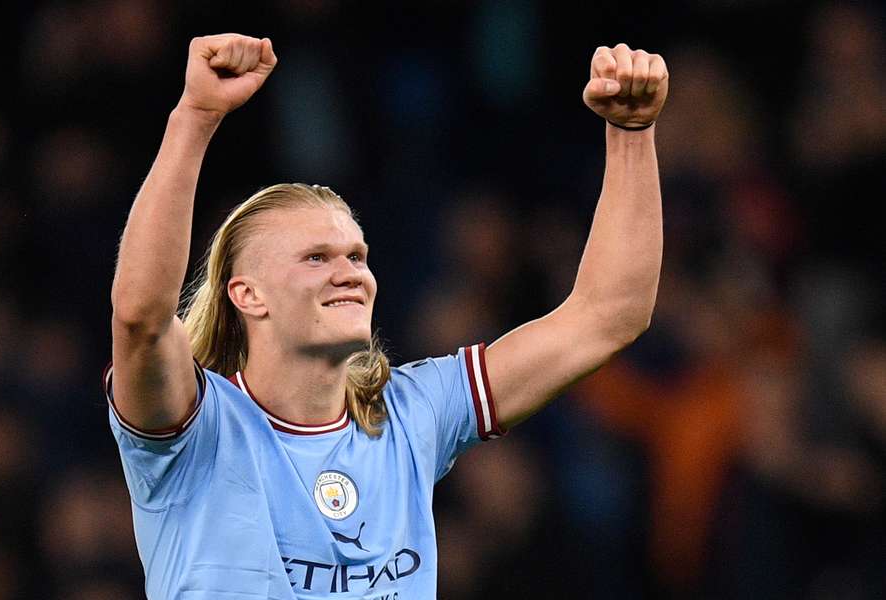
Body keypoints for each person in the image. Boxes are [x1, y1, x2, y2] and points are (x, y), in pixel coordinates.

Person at [106, 33, 668, 599]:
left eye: (357, 256)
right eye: (316, 258)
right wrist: (196, 117)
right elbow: (141, 318)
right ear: (248, 295)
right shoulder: (192, 430)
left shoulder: (410, 414)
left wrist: (631, 134)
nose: (350, 272)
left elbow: (609, 314)